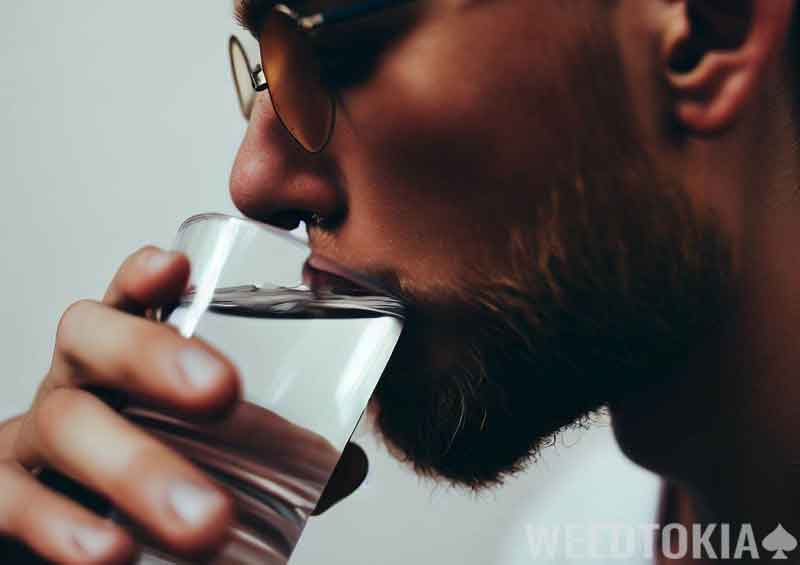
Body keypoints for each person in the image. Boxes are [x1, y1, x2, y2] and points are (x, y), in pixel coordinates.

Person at [1, 0, 798, 562]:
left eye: (331, 56)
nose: (253, 179)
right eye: (270, 71)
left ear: (707, 28)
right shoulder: (569, 537)